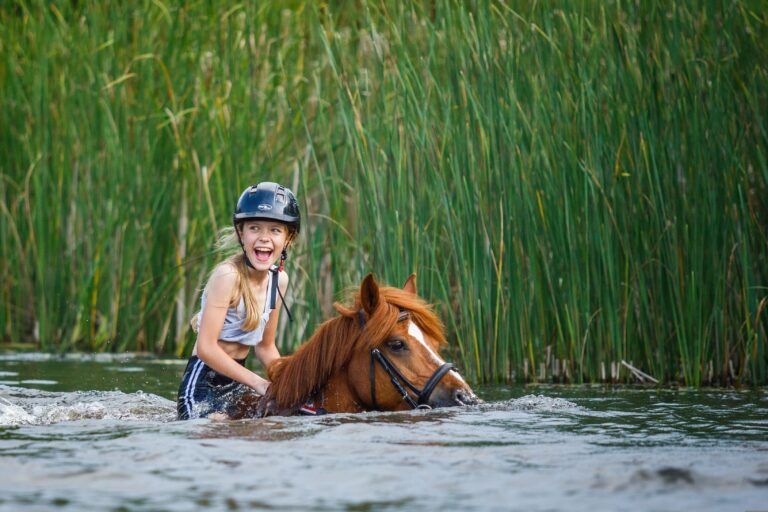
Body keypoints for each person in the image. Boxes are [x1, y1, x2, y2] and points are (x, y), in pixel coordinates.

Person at [177, 181, 299, 420]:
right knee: (217, 427)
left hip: (236, 383)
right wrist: (258, 383)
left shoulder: (279, 280)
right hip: (202, 382)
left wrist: (289, 382)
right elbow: (206, 348)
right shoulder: (227, 276)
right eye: (255, 228)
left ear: (288, 239)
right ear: (241, 234)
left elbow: (265, 347)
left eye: (275, 230)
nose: (264, 238)